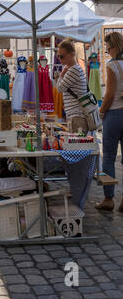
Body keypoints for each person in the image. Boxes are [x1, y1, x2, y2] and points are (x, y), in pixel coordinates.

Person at [98, 31, 123, 213]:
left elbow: (110, 94)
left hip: (114, 114)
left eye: (107, 49)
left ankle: (108, 199)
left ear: (114, 47)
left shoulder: (112, 65)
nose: (108, 52)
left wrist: (101, 110)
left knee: (108, 157)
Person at [56, 39, 93, 133]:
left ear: (72, 55)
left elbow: (59, 88)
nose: (59, 59)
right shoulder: (74, 69)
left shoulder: (73, 70)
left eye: (62, 56)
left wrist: (61, 75)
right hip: (76, 116)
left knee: (78, 146)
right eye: (58, 56)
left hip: (77, 117)